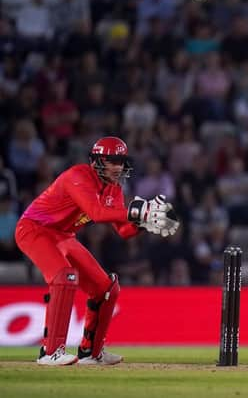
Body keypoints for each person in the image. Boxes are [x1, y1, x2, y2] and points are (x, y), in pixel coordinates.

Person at [14, 136, 180, 366]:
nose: (118, 167)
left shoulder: (114, 188)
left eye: (121, 161)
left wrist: (144, 224)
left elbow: (123, 231)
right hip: (34, 229)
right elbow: (98, 212)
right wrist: (137, 211)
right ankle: (50, 351)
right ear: (97, 161)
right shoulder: (78, 176)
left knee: (106, 288)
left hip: (63, 235)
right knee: (64, 276)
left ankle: (91, 352)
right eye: (112, 161)